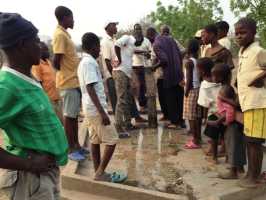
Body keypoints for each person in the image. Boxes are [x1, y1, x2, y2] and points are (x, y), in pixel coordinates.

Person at [0, 13, 68, 199]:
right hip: (30, 178)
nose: (40, 46)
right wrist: (29, 164)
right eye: (36, 41)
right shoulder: (6, 86)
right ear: (22, 45)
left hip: (45, 174)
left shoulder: (27, 78)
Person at [78, 32, 126, 182]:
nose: (99, 50)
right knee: (112, 139)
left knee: (95, 140)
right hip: (95, 109)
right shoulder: (89, 63)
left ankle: (98, 171)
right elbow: (90, 88)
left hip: (90, 109)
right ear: (93, 46)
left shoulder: (84, 62)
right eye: (98, 47)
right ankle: (100, 173)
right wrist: (103, 113)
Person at [235, 17, 266, 188]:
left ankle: (254, 177)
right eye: (237, 33)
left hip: (258, 103)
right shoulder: (243, 51)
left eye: (243, 32)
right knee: (249, 140)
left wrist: (260, 79)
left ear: (253, 33)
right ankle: (250, 174)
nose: (239, 36)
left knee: (254, 141)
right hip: (248, 102)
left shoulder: (258, 51)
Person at [52, 6, 85, 161]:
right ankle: (70, 149)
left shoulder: (66, 35)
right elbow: (56, 61)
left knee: (73, 116)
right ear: (64, 17)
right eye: (71, 17)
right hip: (67, 82)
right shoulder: (59, 35)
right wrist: (66, 73)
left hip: (73, 81)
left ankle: (77, 145)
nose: (73, 20)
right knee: (69, 118)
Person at [101, 22, 146, 125]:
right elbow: (107, 60)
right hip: (113, 74)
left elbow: (131, 49)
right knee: (118, 100)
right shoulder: (105, 42)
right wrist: (112, 74)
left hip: (121, 72)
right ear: (108, 27)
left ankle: (128, 122)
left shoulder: (115, 40)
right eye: (114, 25)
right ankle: (120, 125)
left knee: (126, 98)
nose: (116, 27)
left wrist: (143, 52)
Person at [113, 33, 148, 137]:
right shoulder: (127, 38)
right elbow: (116, 45)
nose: (140, 42)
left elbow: (134, 50)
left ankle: (127, 124)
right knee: (121, 99)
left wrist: (144, 52)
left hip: (126, 74)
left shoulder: (131, 45)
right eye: (140, 39)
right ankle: (118, 127)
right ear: (136, 36)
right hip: (120, 72)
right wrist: (119, 60)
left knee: (127, 99)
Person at [153, 25, 185, 129]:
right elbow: (181, 53)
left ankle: (174, 122)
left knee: (170, 99)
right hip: (178, 72)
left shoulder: (157, 43)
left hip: (169, 75)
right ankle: (181, 121)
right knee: (179, 98)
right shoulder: (173, 40)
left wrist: (154, 67)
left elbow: (164, 60)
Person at [216, 85, 246, 179]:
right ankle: (240, 168)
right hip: (240, 124)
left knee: (233, 147)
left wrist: (224, 99)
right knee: (239, 146)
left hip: (234, 124)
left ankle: (233, 171)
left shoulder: (236, 99)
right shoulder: (239, 96)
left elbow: (232, 111)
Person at [197, 58, 222, 164]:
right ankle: (224, 152)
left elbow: (204, 104)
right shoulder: (220, 82)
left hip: (213, 113)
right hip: (224, 112)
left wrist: (204, 118)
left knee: (213, 136)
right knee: (223, 135)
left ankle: (214, 157)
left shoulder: (205, 85)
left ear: (201, 71)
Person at [31, 42, 63, 123]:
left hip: (56, 97)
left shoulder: (48, 62)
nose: (47, 52)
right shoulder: (37, 65)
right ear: (40, 52)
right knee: (54, 122)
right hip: (48, 100)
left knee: (61, 122)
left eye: (47, 50)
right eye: (45, 50)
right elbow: (38, 84)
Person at [183, 39, 202, 148]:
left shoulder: (189, 62)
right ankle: (198, 138)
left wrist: (186, 91)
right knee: (197, 116)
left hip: (191, 90)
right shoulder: (196, 60)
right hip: (198, 89)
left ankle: (195, 141)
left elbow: (189, 79)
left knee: (191, 117)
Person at [146, 27, 168, 121]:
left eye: (149, 36)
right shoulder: (154, 43)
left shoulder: (159, 42)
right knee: (162, 96)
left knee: (167, 97)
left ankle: (169, 116)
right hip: (160, 75)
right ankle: (166, 115)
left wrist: (154, 66)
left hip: (166, 73)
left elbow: (162, 59)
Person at [132, 24, 152, 113]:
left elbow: (150, 51)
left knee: (144, 86)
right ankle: (141, 105)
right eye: (136, 29)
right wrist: (144, 52)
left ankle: (144, 104)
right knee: (139, 86)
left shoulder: (146, 41)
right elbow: (132, 50)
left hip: (145, 66)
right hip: (135, 66)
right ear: (134, 30)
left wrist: (148, 54)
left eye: (139, 29)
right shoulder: (131, 41)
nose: (138, 31)